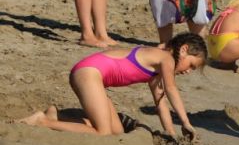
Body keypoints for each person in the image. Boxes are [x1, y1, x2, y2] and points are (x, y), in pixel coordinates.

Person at [18, 33, 206, 138]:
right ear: (183, 50)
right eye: (191, 65)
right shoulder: (165, 58)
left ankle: (57, 115)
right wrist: (186, 123)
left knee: (117, 131)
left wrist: (170, 132)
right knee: (103, 132)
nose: (188, 71)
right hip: (89, 73)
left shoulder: (158, 68)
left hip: (93, 77)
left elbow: (161, 102)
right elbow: (172, 90)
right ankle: (43, 121)